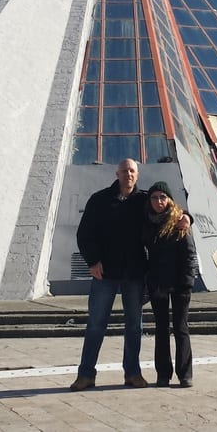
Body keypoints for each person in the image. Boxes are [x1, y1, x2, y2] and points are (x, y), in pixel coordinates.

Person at [69, 159, 190, 392]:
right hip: (104, 273)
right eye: (124, 171)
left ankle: (132, 373)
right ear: (117, 173)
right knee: (96, 324)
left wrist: (188, 217)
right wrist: (92, 261)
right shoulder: (100, 200)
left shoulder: (143, 201)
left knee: (134, 325)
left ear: (137, 174)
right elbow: (84, 234)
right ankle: (86, 375)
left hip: (134, 273)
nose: (128, 175)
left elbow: (167, 209)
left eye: (132, 171)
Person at [143, 180, 197, 388]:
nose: (159, 201)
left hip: (179, 284)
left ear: (170, 200)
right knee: (161, 329)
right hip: (158, 283)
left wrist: (187, 282)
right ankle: (163, 374)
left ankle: (185, 374)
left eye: (163, 197)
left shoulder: (179, 222)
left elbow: (189, 254)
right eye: (155, 197)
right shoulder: (147, 222)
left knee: (180, 328)